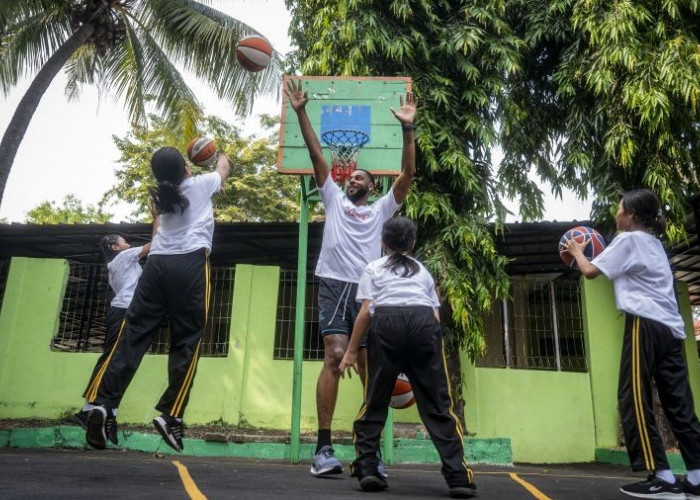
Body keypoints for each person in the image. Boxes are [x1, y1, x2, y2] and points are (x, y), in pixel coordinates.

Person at [284, 78, 417, 476]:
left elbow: (408, 174)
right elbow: (314, 153)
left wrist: (408, 128)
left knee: (371, 370)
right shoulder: (333, 199)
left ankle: (368, 450)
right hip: (334, 286)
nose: (351, 179)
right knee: (336, 356)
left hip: (370, 292)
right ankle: (323, 449)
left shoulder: (381, 211)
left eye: (360, 177)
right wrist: (301, 111)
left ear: (372, 186)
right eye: (350, 177)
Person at [84, 146, 230, 452]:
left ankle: (101, 404)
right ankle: (171, 415)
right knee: (187, 340)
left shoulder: (159, 198)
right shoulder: (200, 184)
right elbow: (223, 170)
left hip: (157, 266)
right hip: (189, 264)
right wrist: (218, 151)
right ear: (186, 169)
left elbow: (159, 226)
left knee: (132, 336)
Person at [562, 189, 700, 500]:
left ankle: (662, 477)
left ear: (632, 216)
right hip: (672, 329)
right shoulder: (655, 244)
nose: (616, 214)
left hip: (644, 324)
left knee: (633, 397)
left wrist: (576, 250)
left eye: (619, 209)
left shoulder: (627, 240)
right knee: (679, 404)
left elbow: (590, 271)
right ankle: (696, 476)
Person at [339, 216, 476, 498]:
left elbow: (366, 312)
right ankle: (458, 477)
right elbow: (435, 316)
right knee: (438, 406)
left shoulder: (373, 268)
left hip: (386, 323)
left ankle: (367, 469)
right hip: (423, 323)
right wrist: (427, 348)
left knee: (375, 400)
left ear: (383, 243)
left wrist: (351, 350)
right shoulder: (423, 272)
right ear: (413, 243)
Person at [71, 206, 159, 443]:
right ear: (114, 247)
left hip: (133, 312)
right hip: (123, 312)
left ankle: (108, 414)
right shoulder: (122, 257)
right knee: (112, 359)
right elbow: (156, 243)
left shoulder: (125, 262)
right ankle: (87, 411)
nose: (127, 242)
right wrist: (157, 217)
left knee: (125, 364)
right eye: (123, 240)